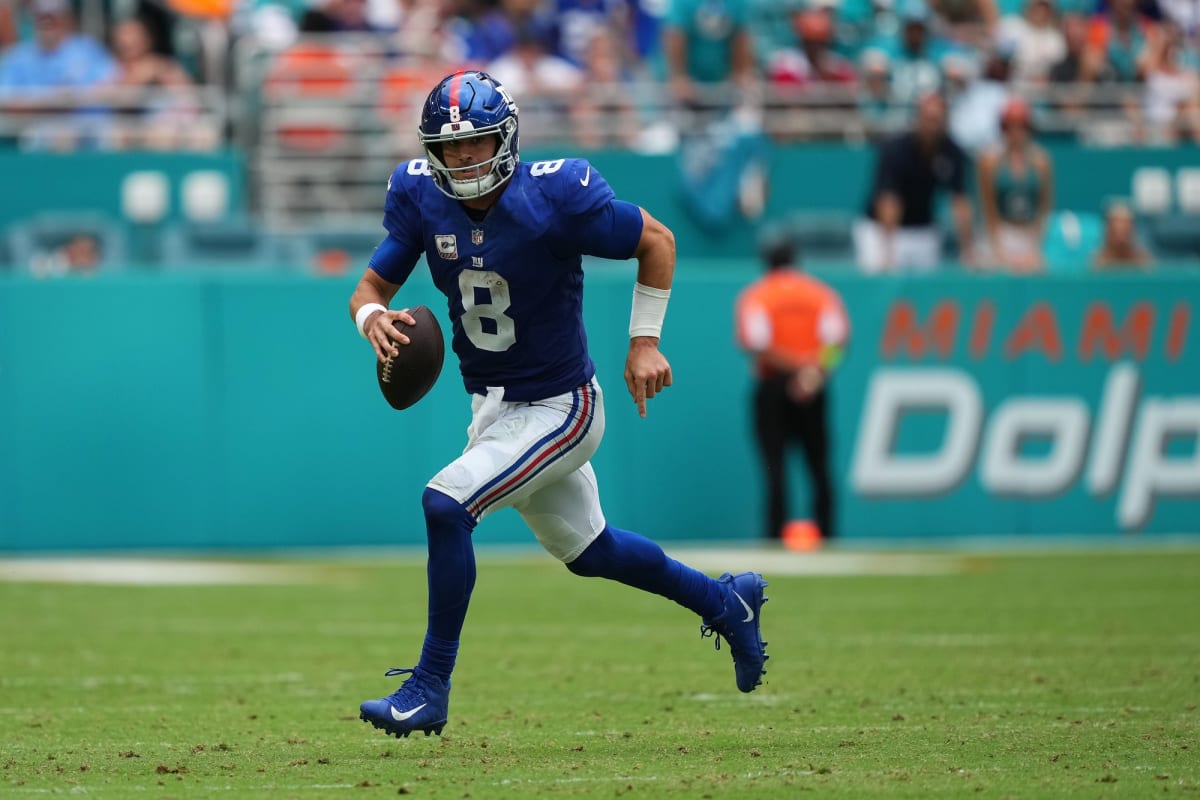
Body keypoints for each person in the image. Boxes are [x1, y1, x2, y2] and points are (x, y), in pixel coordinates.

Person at [348, 70, 770, 739]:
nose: (461, 160)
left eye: (475, 144)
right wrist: (371, 317)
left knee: (445, 503)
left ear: (506, 138)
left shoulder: (555, 193)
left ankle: (429, 687)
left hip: (560, 407)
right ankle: (728, 604)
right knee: (592, 552)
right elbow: (371, 285)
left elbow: (656, 241)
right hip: (493, 408)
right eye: (449, 149)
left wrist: (643, 344)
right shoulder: (420, 196)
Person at [735, 228, 849, 545]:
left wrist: (797, 367)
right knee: (819, 464)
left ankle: (775, 535)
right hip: (814, 383)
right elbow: (837, 341)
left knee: (775, 466)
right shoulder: (820, 294)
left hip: (774, 385)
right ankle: (827, 533)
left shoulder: (758, 295)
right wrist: (814, 370)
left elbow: (758, 344)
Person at [854, 91, 975, 273]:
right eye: (928, 119)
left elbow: (959, 201)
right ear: (918, 119)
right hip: (880, 230)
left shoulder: (952, 151)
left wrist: (968, 250)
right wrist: (888, 251)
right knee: (883, 284)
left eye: (938, 120)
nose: (932, 126)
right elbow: (888, 199)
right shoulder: (895, 149)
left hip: (923, 230)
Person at [976, 96, 1053, 272]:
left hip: (1030, 232)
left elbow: (1044, 207)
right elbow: (989, 208)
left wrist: (1035, 247)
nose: (1015, 132)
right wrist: (997, 247)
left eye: (1020, 127)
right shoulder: (990, 162)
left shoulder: (1041, 161)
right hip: (1001, 230)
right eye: (1010, 127)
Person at [1091, 201, 1153, 269]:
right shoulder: (1097, 262)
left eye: (1125, 229)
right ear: (1108, 230)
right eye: (1116, 230)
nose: (1120, 235)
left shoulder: (1143, 261)